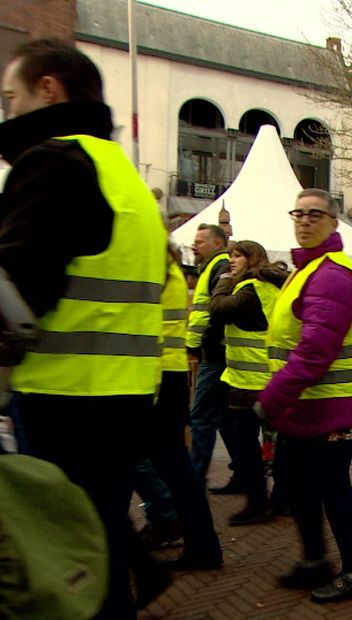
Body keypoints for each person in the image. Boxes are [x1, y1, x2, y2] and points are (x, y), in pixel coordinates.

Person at [0, 39, 167, 618]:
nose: (8, 113)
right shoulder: (122, 175)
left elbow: (16, 293)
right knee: (94, 545)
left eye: (10, 98)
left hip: (61, 396)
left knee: (66, 556)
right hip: (123, 393)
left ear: (48, 89)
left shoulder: (52, 161)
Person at [257, 189, 352, 603]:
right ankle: (315, 559)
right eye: (299, 213)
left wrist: (272, 398)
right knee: (296, 483)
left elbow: (315, 350)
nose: (305, 221)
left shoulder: (330, 274)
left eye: (316, 214)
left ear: (334, 223)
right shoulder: (306, 268)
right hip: (307, 405)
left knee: (331, 486)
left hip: (332, 406)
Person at [146, 245, 223, 571]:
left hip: (154, 376)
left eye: (202, 238)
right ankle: (192, 537)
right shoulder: (173, 268)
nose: (196, 243)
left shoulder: (157, 265)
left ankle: (166, 520)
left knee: (158, 463)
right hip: (167, 372)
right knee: (172, 464)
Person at [208, 240, 289, 525]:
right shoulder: (267, 286)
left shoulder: (248, 288)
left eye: (238, 255)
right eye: (231, 255)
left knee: (244, 439)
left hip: (253, 379)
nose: (232, 260)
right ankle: (280, 498)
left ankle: (259, 500)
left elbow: (218, 309)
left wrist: (223, 282)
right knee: (271, 439)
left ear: (252, 259)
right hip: (264, 376)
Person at [186, 222, 233, 486]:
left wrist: (202, 342)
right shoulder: (211, 268)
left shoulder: (219, 267)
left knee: (202, 417)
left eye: (200, 241)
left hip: (214, 354)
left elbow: (215, 312)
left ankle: (193, 479)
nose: (195, 245)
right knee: (225, 419)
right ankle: (246, 475)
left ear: (217, 243)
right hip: (214, 353)